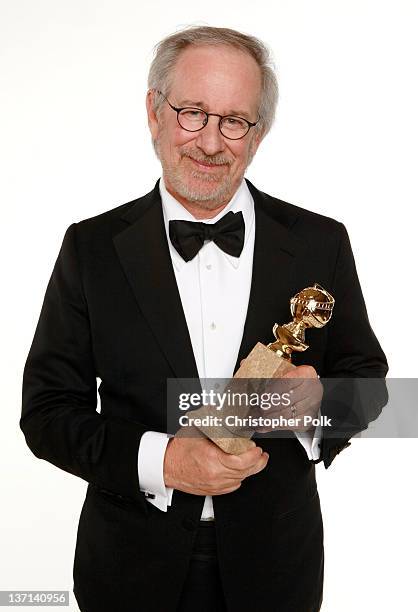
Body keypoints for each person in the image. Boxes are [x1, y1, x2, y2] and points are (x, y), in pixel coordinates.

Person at [21, 26, 388, 612]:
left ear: (259, 134)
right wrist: (163, 461)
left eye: (235, 121)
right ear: (154, 112)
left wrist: (323, 402)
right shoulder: (90, 248)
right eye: (193, 113)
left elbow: (373, 385)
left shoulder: (321, 242)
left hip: (277, 570)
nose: (212, 143)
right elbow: (45, 414)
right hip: (128, 570)